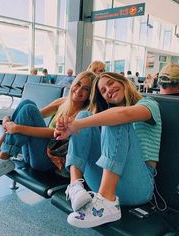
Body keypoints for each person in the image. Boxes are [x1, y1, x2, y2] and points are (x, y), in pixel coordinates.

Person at [55, 72, 161, 228]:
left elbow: (125, 114)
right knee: (84, 115)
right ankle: (75, 187)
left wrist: (75, 126)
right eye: (103, 91)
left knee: (117, 118)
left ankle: (107, 202)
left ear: (124, 82)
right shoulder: (111, 112)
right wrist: (71, 126)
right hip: (101, 181)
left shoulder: (149, 103)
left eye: (111, 83)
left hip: (138, 188)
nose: (108, 90)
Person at [0, 71, 96, 183]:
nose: (79, 90)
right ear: (73, 83)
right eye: (78, 84)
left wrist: (17, 128)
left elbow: (54, 133)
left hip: (50, 161)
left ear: (90, 94)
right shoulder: (62, 102)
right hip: (33, 154)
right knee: (27, 104)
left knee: (29, 107)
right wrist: (7, 119)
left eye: (85, 89)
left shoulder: (84, 113)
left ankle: (1, 158)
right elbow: (28, 116)